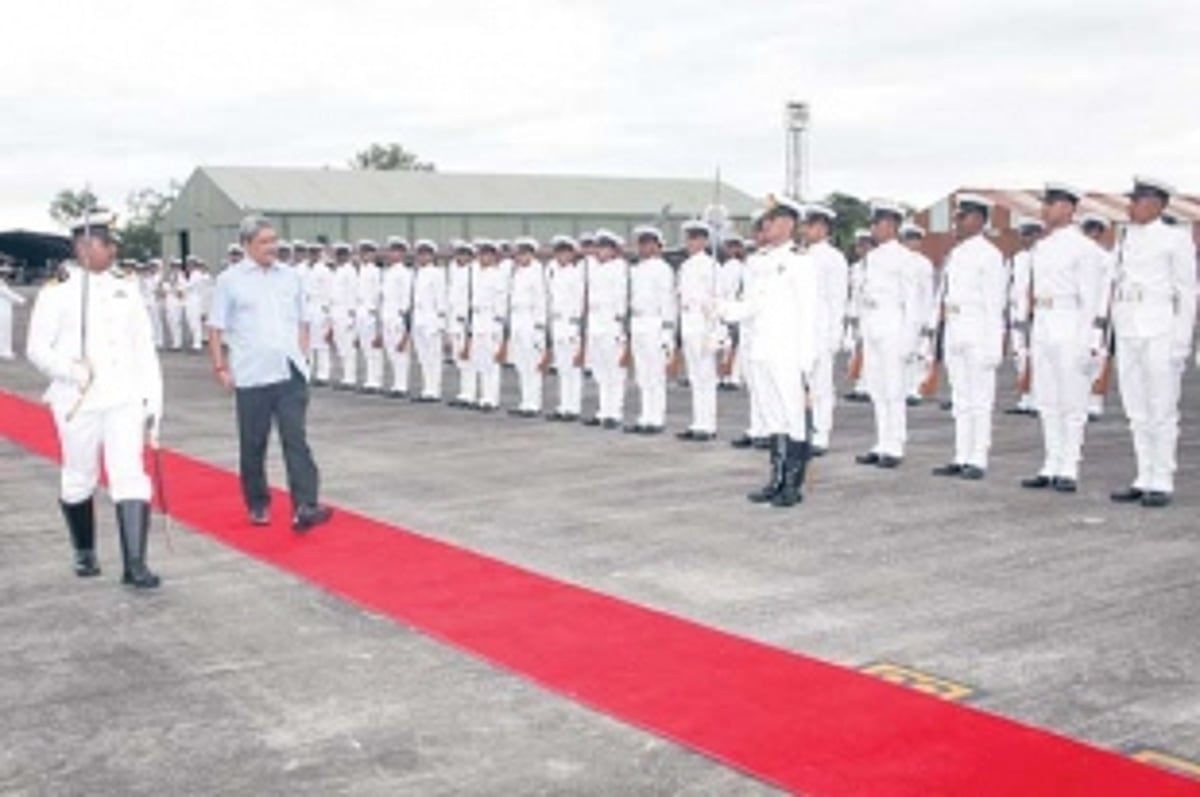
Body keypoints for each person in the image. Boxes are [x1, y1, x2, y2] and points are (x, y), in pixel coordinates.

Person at [26, 211, 163, 588]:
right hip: (77, 400)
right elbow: (36, 348)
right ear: (83, 247)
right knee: (79, 475)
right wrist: (72, 370)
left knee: (129, 474)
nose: (113, 251)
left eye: (112, 244)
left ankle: (135, 565)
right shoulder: (58, 290)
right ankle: (84, 550)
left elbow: (143, 348)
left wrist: (153, 400)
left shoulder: (126, 286)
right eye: (106, 244)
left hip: (123, 397)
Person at [207, 215, 332, 532]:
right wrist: (220, 367)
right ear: (246, 245)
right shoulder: (230, 280)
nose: (271, 247)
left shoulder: (290, 276)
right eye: (264, 242)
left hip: (289, 370)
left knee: (295, 438)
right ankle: (258, 502)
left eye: (274, 240)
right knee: (253, 443)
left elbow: (303, 320)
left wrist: (302, 354)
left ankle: (305, 505)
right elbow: (216, 328)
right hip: (252, 373)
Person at [719, 195, 818, 508]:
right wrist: (721, 308)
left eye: (771, 220)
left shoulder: (801, 262)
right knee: (773, 416)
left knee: (793, 417)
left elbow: (809, 314)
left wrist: (806, 362)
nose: (765, 226)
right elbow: (751, 306)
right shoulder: (759, 261)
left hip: (788, 350)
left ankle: (792, 484)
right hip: (762, 349)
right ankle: (776, 480)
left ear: (788, 223)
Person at [1108, 177, 1197, 507]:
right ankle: (1143, 475)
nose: (1130, 206)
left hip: (1160, 328)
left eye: (1137, 200)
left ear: (1157, 204)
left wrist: (1181, 342)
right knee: (1136, 407)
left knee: (1161, 407)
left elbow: (1187, 293)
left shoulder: (1176, 239)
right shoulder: (1126, 238)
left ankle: (1162, 478)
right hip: (1128, 326)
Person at [1019, 184, 1106, 493]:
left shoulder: (1084, 248)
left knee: (1072, 399)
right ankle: (1051, 463)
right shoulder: (1042, 247)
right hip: (1043, 321)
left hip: (1070, 321)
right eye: (1045, 204)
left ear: (1069, 208)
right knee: (1047, 398)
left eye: (1052, 203)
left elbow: (1092, 299)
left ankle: (1069, 466)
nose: (1045, 209)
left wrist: (1090, 341)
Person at [928, 194, 1007, 480]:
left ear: (978, 219)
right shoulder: (956, 253)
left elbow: (995, 304)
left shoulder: (990, 255)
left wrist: (993, 345)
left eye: (962, 217)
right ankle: (961, 455)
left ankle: (978, 458)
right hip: (955, 327)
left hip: (978, 330)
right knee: (960, 399)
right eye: (956, 217)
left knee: (980, 399)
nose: (956, 222)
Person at [855, 201, 922, 468]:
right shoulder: (872, 257)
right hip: (873, 324)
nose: (873, 228)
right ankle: (882, 441)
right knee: (877, 387)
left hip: (894, 324)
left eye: (878, 223)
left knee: (894, 388)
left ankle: (895, 445)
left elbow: (912, 302)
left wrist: (910, 338)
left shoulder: (905, 258)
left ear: (892, 225)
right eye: (872, 223)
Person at [803, 203, 849, 456]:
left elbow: (837, 299)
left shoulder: (834, 258)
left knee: (821, 385)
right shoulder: (801, 255)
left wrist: (835, 334)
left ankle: (821, 434)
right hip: (802, 330)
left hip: (821, 329)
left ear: (822, 227)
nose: (805, 230)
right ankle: (804, 430)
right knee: (803, 385)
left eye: (809, 225)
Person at [625, 226, 677, 434]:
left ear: (657, 246)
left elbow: (668, 302)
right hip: (638, 323)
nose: (644, 247)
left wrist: (667, 332)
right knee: (643, 375)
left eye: (649, 243)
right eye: (642, 243)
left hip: (654, 323)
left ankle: (656, 419)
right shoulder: (637, 269)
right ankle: (645, 416)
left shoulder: (662, 269)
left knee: (655, 375)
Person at [729, 211, 771, 450]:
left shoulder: (780, 260)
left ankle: (769, 430)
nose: (759, 235)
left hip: (766, 328)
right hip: (749, 327)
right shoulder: (752, 261)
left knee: (767, 383)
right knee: (754, 383)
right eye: (757, 230)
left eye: (763, 230)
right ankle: (757, 428)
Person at [677, 220, 720, 441]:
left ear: (704, 241)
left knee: (706, 376)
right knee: (695, 376)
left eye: (695, 238)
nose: (691, 243)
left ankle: (708, 425)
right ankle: (698, 422)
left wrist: (714, 332)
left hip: (703, 323)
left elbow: (717, 299)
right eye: (689, 239)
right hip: (689, 322)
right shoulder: (686, 266)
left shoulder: (711, 266)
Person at [583, 230, 629, 429]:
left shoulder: (620, 268)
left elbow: (623, 299)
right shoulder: (595, 268)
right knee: (600, 372)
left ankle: (614, 413)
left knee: (614, 372)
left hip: (612, 324)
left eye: (605, 248)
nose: (601, 251)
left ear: (614, 250)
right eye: (599, 248)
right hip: (596, 326)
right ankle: (603, 411)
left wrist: (621, 326)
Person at [1078, 213, 1116, 420]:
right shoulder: (1076, 257)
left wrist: (1104, 313)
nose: (1091, 234)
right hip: (1078, 315)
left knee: (1099, 357)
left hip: (1099, 315)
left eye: (1095, 230)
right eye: (1087, 230)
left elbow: (1109, 289)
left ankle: (1095, 401)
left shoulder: (1107, 259)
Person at [1005, 218, 1044, 416]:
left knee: (1037, 358)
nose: (1025, 238)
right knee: (1019, 357)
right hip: (1016, 312)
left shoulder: (1044, 257)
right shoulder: (1016, 259)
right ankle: (1025, 399)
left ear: (1038, 235)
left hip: (1035, 314)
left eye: (1029, 234)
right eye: (1023, 234)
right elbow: (1008, 286)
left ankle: (1038, 400)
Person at [507, 237, 549, 417]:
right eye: (519, 253)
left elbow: (541, 301)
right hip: (517, 321)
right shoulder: (517, 272)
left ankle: (534, 404)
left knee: (533, 365)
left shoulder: (537, 272)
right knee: (522, 365)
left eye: (524, 253)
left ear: (531, 254)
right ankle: (525, 402)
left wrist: (539, 328)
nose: (520, 257)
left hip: (531, 321)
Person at [464, 240, 508, 411]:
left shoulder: (498, 275)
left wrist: (498, 324)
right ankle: (483, 396)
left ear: (494, 257)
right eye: (482, 254)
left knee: (492, 362)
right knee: (480, 360)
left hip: (490, 320)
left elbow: (501, 301)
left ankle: (492, 398)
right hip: (477, 319)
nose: (484, 258)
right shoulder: (476, 274)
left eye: (488, 254)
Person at [547, 235, 586, 421]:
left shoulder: (576, 274)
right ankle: (564, 406)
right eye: (559, 253)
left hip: (571, 324)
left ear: (572, 255)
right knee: (562, 369)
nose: (562, 256)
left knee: (573, 369)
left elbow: (580, 303)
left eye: (566, 253)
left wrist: (578, 328)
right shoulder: (553, 273)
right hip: (557, 324)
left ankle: (573, 408)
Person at [901, 223, 937, 406]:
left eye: (915, 239)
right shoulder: (897, 261)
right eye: (909, 239)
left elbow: (928, 293)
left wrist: (929, 320)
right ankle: (901, 387)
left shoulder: (924, 264)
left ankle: (915, 389)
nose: (912, 243)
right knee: (900, 354)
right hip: (899, 315)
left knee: (918, 355)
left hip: (917, 315)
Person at [409, 240, 447, 402]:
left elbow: (441, 299)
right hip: (419, 319)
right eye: (420, 254)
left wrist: (440, 323)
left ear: (432, 256)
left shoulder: (437, 273)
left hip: (431, 319)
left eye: (426, 254)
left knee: (434, 357)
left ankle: (435, 390)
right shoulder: (417, 273)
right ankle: (427, 388)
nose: (423, 257)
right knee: (423, 357)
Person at [381, 236, 414, 398]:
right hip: (387, 316)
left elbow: (406, 297)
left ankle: (402, 385)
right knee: (391, 352)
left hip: (398, 316)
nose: (394, 254)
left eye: (397, 251)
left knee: (401, 352)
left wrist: (405, 317)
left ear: (403, 254)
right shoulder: (387, 272)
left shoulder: (405, 273)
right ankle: (396, 383)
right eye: (392, 251)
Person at [843, 229, 874, 402]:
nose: (862, 249)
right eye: (860, 246)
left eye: (866, 245)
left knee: (870, 352)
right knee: (856, 351)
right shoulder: (854, 268)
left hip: (872, 314)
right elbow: (852, 293)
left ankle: (869, 387)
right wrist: (850, 313)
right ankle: (860, 385)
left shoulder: (879, 267)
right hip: (857, 313)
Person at [446, 241, 478, 408]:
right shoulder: (454, 271)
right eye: (459, 253)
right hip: (454, 320)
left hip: (467, 320)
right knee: (459, 359)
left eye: (465, 254)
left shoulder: (474, 272)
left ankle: (470, 394)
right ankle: (464, 392)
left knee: (469, 358)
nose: (462, 257)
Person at [353, 240, 384, 394]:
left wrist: (377, 314)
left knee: (374, 349)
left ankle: (376, 380)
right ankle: (370, 379)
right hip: (360, 312)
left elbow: (378, 295)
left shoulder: (376, 272)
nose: (365, 255)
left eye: (368, 252)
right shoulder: (360, 271)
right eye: (363, 252)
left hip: (371, 312)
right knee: (365, 348)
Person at [716, 234, 745, 390]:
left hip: (729, 308)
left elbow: (725, 289)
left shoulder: (731, 267)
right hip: (733, 307)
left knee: (730, 345)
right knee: (732, 344)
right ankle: (730, 377)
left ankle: (728, 377)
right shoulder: (740, 266)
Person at [303, 242, 335, 385]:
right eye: (311, 252)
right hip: (306, 307)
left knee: (322, 343)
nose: (313, 255)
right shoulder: (303, 269)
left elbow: (329, 292)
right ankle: (308, 372)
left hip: (320, 307)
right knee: (307, 343)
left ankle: (323, 374)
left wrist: (328, 313)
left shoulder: (324, 271)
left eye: (315, 252)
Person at [329, 242, 358, 390]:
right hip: (336, 312)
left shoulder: (350, 271)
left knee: (348, 347)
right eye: (338, 254)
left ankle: (350, 378)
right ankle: (344, 376)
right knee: (340, 346)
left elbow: (353, 293)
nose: (340, 256)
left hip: (346, 312)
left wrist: (352, 315)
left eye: (343, 254)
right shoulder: (337, 271)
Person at [182, 255, 211, 352]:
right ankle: (195, 342)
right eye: (188, 263)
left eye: (191, 263)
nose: (189, 265)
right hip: (189, 300)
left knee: (195, 322)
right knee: (191, 321)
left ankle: (197, 344)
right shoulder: (191, 275)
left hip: (195, 300)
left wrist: (181, 285)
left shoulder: (196, 274)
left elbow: (188, 287)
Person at [0, 275, 27, 359]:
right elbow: (7, 293)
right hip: (3, 310)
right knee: (4, 331)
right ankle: (4, 351)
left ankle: (3, 350)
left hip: (4, 308)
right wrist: (21, 300)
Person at [163, 257, 186, 350]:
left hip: (177, 302)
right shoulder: (169, 276)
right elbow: (164, 288)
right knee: (170, 322)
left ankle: (178, 343)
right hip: (169, 301)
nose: (174, 268)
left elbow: (182, 290)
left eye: (176, 266)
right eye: (173, 266)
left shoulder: (182, 276)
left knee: (176, 322)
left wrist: (175, 289)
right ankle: (174, 341)